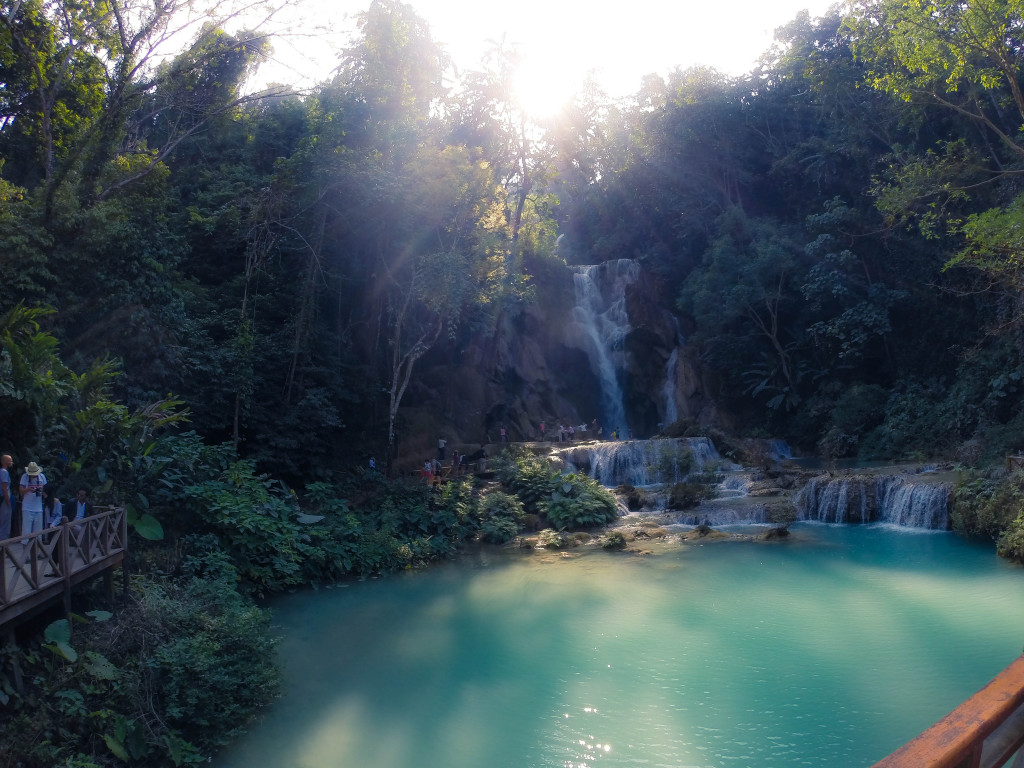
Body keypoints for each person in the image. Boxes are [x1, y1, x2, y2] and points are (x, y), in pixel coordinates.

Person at [19, 461, 47, 541]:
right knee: (26, 532)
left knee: (38, 533)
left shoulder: (42, 477)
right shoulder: (25, 477)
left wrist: (41, 490)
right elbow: (21, 490)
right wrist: (28, 489)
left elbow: (46, 492)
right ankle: (25, 552)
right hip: (27, 507)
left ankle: (37, 552)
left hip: (38, 508)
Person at [0, 453, 12, 540]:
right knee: (5, 522)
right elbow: (4, 488)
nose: (12, 462)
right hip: (4, 500)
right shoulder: (4, 472)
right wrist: (8, 502)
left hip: (3, 499)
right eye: (10, 460)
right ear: (4, 462)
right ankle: (3, 544)